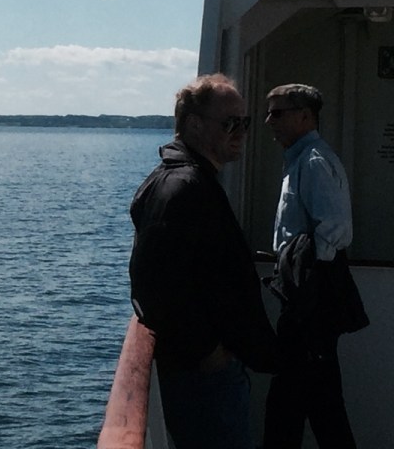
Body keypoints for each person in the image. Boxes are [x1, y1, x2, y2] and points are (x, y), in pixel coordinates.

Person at [129, 73, 279, 449]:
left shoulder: (186, 181)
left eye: (245, 122)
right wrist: (207, 352)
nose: (241, 132)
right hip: (203, 376)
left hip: (208, 370)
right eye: (230, 123)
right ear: (195, 125)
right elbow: (154, 283)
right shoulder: (185, 187)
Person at [262, 83, 368, 449]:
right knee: (313, 401)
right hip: (306, 298)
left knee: (296, 401)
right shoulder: (301, 159)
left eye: (277, 113)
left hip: (310, 301)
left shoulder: (313, 162)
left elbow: (336, 228)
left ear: (305, 116)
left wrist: (303, 276)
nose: (269, 121)